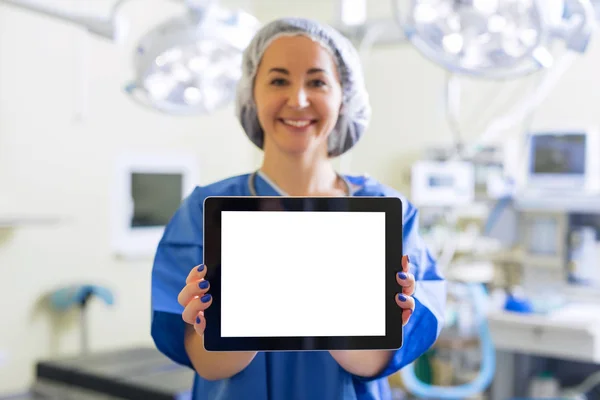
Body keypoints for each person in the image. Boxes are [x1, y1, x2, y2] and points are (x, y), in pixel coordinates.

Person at [151, 17, 446, 400]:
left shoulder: (384, 214)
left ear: (345, 96)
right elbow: (206, 361)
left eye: (318, 81)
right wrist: (223, 323)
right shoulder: (203, 212)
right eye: (278, 80)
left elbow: (374, 360)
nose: (299, 99)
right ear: (251, 94)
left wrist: (357, 313)